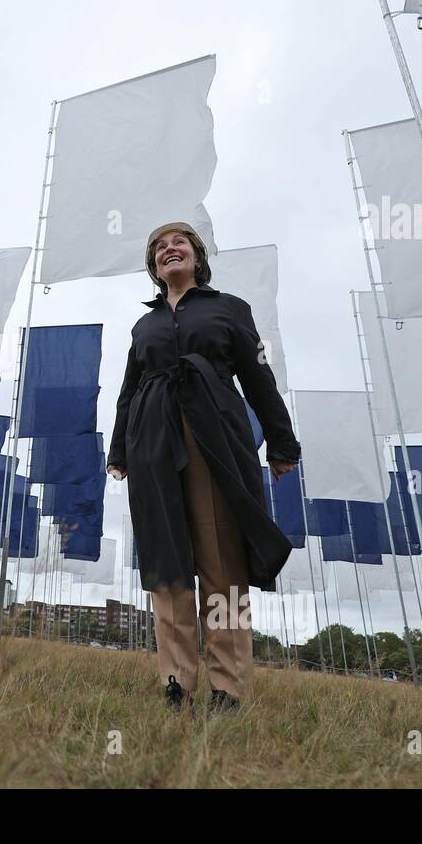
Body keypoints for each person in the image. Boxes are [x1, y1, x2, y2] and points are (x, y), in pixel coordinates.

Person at [107, 221, 300, 713]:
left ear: (197, 256)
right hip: (152, 440)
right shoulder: (143, 326)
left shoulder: (229, 309)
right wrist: (119, 451)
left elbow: (259, 378)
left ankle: (228, 687)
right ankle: (176, 680)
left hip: (214, 436)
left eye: (180, 243)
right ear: (154, 267)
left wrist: (281, 444)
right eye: (160, 248)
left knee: (221, 562)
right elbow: (129, 391)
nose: (170, 249)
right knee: (166, 559)